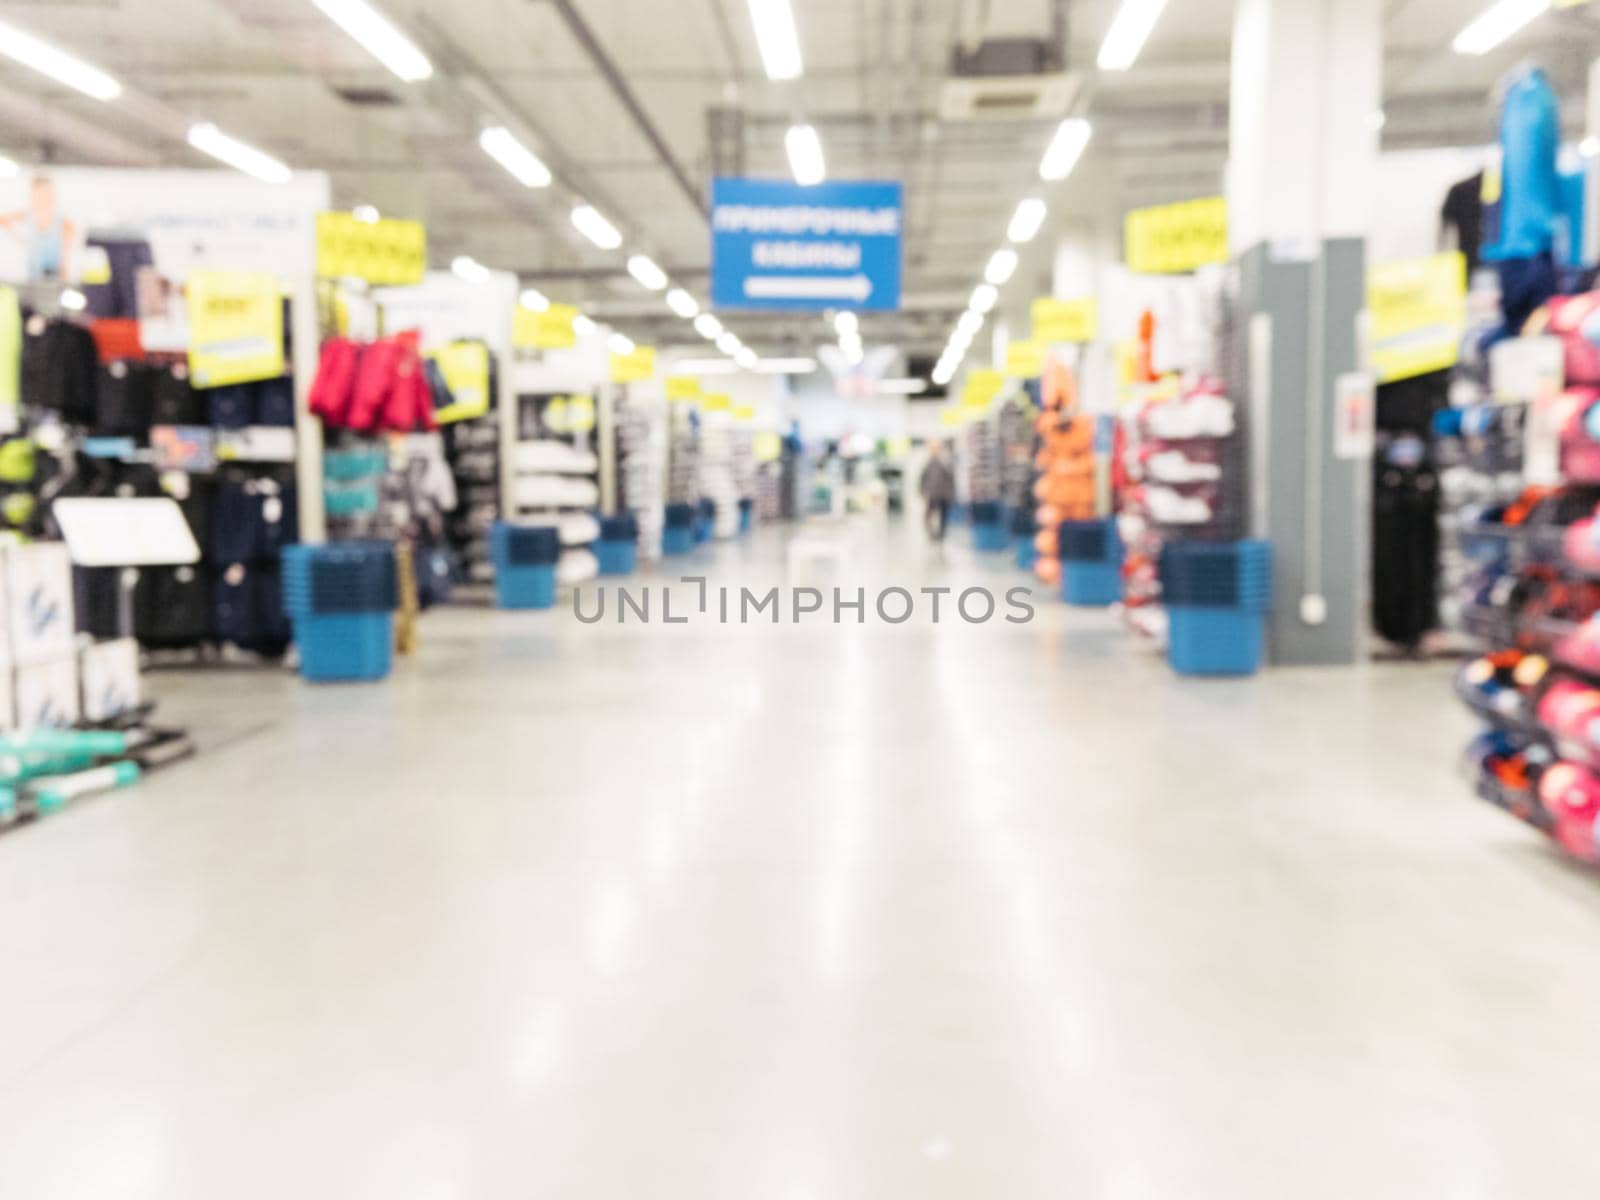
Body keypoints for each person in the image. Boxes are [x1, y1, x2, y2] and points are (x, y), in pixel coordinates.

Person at [0, 174, 77, 281]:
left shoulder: (62, 221)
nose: (43, 198)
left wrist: (65, 269)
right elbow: (2, 220)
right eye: (39, 194)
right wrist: (22, 239)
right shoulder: (28, 215)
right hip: (34, 273)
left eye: (47, 193)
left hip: (55, 274)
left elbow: (65, 254)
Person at [919, 441, 955, 542]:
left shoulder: (945, 462)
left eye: (937, 448)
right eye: (933, 448)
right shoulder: (927, 463)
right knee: (927, 516)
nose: (935, 451)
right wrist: (922, 491)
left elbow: (951, 479)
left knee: (943, 516)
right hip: (932, 494)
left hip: (943, 495)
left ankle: (941, 535)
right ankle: (932, 534)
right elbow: (922, 479)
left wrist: (951, 494)